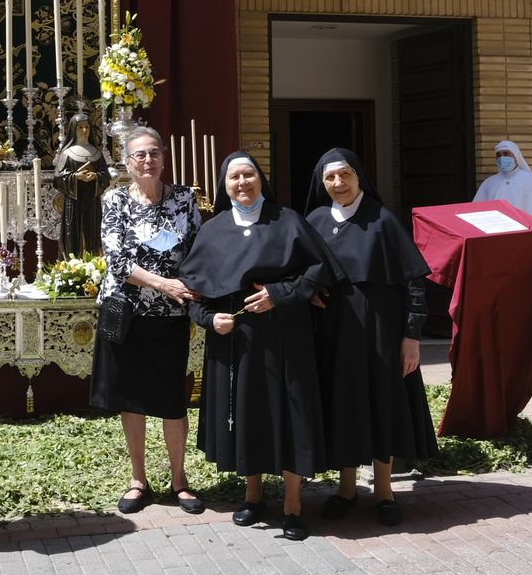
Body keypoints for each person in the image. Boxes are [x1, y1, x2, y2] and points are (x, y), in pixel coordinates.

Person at [177, 152, 343, 542]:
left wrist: (279, 293)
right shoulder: (213, 229)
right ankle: (252, 497)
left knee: (290, 414)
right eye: (234, 177)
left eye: (249, 174)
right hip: (237, 341)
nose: (242, 183)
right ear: (225, 185)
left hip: (286, 335)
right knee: (247, 413)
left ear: (261, 179)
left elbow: (319, 269)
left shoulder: (288, 220)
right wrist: (208, 320)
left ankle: (292, 504)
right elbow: (194, 291)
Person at [302, 148, 438, 529]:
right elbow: (302, 273)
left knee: (381, 404)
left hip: (381, 332)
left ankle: (384, 490)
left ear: (359, 176)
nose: (338, 183)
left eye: (345, 174)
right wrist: (308, 291)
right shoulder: (313, 221)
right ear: (322, 182)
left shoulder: (382, 220)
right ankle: (346, 490)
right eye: (330, 178)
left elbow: (413, 281)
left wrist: (411, 337)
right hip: (333, 334)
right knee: (343, 404)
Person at [90, 127, 204, 516]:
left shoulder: (185, 199)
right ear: (127, 162)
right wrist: (164, 284)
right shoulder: (115, 199)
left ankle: (180, 480)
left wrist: (193, 286)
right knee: (131, 397)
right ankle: (138, 479)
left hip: (171, 316)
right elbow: (118, 261)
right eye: (139, 155)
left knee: (173, 400)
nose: (147, 161)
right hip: (127, 314)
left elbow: (199, 250)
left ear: (164, 156)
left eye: (153, 153)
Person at [53, 112, 106, 257]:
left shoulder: (96, 153)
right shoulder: (67, 153)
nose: (84, 131)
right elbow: (58, 178)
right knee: (73, 234)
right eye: (80, 127)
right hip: (73, 203)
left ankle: (95, 265)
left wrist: (96, 176)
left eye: (87, 127)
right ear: (73, 130)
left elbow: (106, 175)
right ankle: (72, 266)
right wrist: (76, 176)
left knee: (92, 232)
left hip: (92, 202)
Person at [473, 139, 532, 221]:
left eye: (506, 154)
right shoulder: (489, 182)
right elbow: (477, 211)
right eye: (499, 155)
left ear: (515, 156)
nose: (502, 157)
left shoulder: (531, 180)